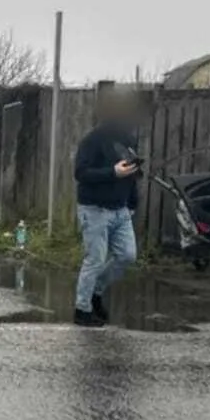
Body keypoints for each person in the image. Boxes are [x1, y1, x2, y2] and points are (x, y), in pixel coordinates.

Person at [73, 92, 142, 327]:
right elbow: (80, 173)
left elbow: (133, 174)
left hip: (121, 210)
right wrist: (112, 173)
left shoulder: (128, 140)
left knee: (127, 256)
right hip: (94, 209)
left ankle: (96, 293)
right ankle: (82, 310)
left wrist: (132, 202)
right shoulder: (92, 140)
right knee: (95, 259)